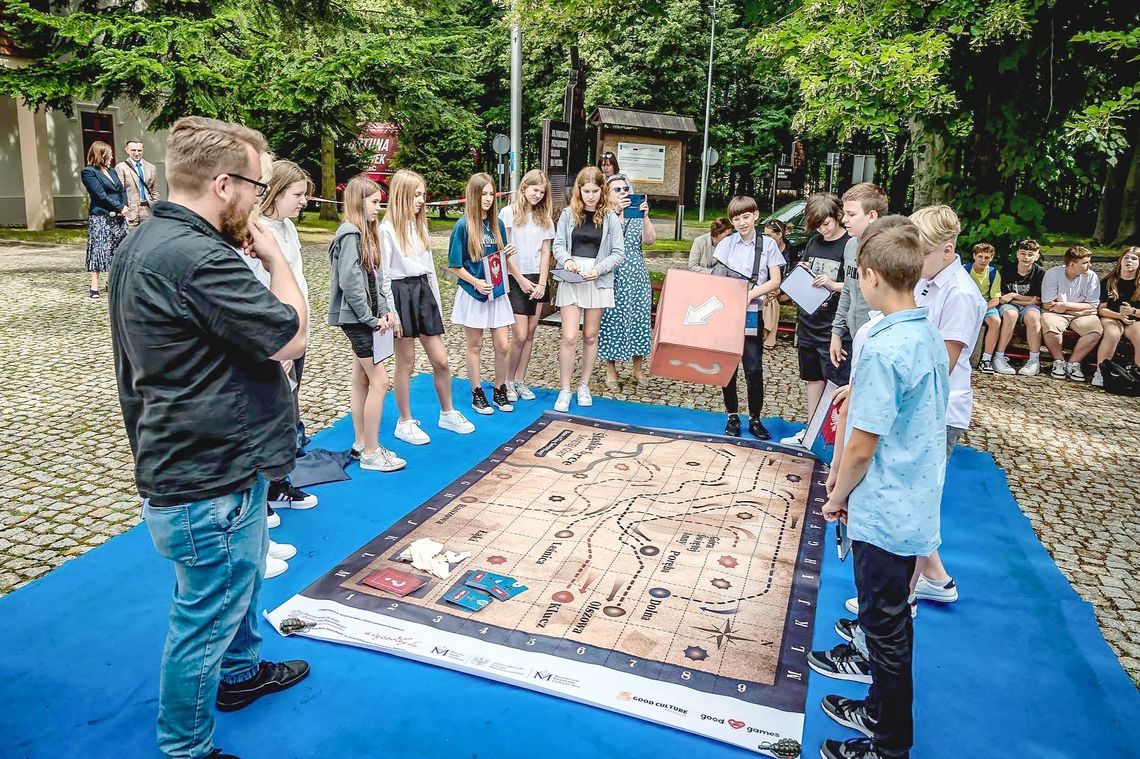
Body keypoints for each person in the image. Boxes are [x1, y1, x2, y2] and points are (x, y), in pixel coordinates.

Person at [108, 115, 312, 759]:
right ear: (225, 184)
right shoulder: (193, 255)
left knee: (240, 583)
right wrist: (276, 254)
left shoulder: (153, 240)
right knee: (205, 614)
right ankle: (185, 748)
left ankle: (242, 673)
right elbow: (290, 335)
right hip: (205, 470)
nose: (259, 198)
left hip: (216, 455)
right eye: (256, 184)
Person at [812, 216, 950, 759]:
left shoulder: (886, 348)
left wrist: (837, 495)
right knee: (889, 619)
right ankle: (878, 711)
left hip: (886, 507)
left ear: (869, 277)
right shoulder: (925, 333)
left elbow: (862, 446)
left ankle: (889, 744)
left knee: (884, 628)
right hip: (912, 497)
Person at [909, 204, 984, 605]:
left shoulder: (960, 294)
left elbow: (944, 364)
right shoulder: (927, 280)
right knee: (914, 494)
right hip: (919, 403)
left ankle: (903, 596)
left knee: (919, 497)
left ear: (948, 249)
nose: (914, 259)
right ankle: (935, 578)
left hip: (939, 408)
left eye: (921, 251)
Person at [380, 169, 475, 441]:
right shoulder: (386, 230)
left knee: (441, 360)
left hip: (422, 292)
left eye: (423, 194)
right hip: (401, 293)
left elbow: (430, 269)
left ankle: (447, 413)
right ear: (402, 196)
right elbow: (384, 276)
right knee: (406, 362)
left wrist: (435, 302)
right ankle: (405, 421)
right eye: (416, 195)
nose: (422, 200)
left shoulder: (419, 226)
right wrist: (392, 312)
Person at [328, 174, 406, 472]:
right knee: (380, 380)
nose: (378, 208)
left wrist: (385, 311)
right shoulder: (349, 234)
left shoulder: (364, 234)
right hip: (359, 320)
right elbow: (350, 283)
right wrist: (371, 319)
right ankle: (371, 451)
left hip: (368, 318)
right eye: (374, 202)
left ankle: (362, 443)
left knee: (362, 379)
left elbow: (374, 278)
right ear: (358, 202)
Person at [258, 160, 321, 518]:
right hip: (275, 340)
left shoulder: (287, 229)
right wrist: (274, 344)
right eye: (297, 195)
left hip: (296, 334)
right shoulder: (259, 231)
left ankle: (279, 481)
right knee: (271, 413)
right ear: (276, 192)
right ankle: (263, 491)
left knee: (288, 411)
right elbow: (261, 293)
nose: (304, 202)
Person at [552, 166, 625, 412]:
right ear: (579, 190)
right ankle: (565, 389)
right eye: (586, 191)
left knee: (590, 335)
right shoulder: (567, 214)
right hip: (571, 277)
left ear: (601, 191)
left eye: (595, 191)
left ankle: (584, 385)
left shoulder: (610, 217)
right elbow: (558, 245)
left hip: (597, 279)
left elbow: (618, 253)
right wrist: (567, 261)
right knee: (570, 335)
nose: (591, 196)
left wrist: (600, 269)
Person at [712, 196, 784, 440]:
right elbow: (717, 277)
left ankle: (755, 417)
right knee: (728, 366)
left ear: (755, 215)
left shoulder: (768, 245)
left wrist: (750, 293)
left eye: (745, 216)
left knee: (753, 368)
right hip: (728, 312)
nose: (741, 222)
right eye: (736, 218)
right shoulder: (727, 244)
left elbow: (775, 280)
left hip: (753, 311)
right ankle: (732, 415)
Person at [781, 194, 850, 447]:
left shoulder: (849, 245)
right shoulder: (813, 242)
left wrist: (833, 284)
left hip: (834, 329)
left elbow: (859, 286)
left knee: (836, 383)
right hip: (809, 321)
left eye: (827, 223)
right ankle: (811, 431)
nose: (824, 229)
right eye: (818, 225)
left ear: (838, 216)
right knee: (813, 379)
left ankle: (833, 439)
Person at [448, 173, 517, 415]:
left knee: (502, 345)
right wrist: (475, 282)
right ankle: (477, 392)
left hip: (496, 292)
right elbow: (454, 265)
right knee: (474, 345)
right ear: (473, 195)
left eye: (491, 194)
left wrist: (508, 252)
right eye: (483, 194)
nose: (487, 199)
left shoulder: (497, 223)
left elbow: (499, 259)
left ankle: (500, 389)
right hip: (474, 292)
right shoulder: (462, 225)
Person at [501, 169, 555, 402]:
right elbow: (506, 251)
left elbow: (546, 252)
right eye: (535, 190)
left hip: (537, 278)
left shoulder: (545, 218)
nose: (538, 196)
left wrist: (542, 282)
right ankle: (506, 380)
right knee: (519, 334)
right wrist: (521, 280)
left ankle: (520, 380)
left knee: (531, 333)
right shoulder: (508, 213)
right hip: (516, 277)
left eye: (542, 193)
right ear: (524, 188)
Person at [599, 172, 656, 390]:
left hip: (636, 275)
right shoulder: (604, 215)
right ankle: (611, 370)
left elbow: (650, 240)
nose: (623, 192)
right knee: (610, 321)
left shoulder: (636, 215)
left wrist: (646, 216)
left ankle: (638, 369)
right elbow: (602, 243)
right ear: (608, 194)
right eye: (617, 189)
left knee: (639, 319)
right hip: (613, 273)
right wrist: (615, 213)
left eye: (625, 189)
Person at [830, 182, 888, 368]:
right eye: (844, 213)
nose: (844, 220)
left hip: (879, 339)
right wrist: (836, 332)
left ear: (872, 216)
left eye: (851, 214)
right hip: (852, 335)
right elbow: (847, 289)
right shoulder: (851, 245)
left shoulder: (889, 251)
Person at [1042, 246, 1103, 381]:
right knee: (1051, 326)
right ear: (1072, 264)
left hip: (1079, 313)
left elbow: (1093, 305)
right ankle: (1059, 361)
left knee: (1095, 331)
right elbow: (1048, 304)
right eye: (1085, 262)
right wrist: (1080, 310)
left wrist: (1064, 306)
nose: (1090, 265)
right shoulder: (1053, 273)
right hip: (1059, 313)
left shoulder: (1091, 276)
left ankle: (1074, 363)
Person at [81, 140, 129, 298]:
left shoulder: (112, 171)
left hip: (118, 218)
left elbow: (121, 190)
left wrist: (124, 206)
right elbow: (99, 194)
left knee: (118, 250)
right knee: (100, 249)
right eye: (109, 154)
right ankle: (94, 286)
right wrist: (118, 207)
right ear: (100, 154)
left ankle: (111, 282)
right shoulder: (89, 172)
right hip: (101, 217)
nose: (112, 157)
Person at [990, 239, 1046, 375]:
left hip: (1026, 307)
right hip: (1010, 306)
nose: (1026, 257)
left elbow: (1037, 299)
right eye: (1023, 253)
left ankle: (1034, 360)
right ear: (1017, 254)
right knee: (1011, 315)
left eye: (1030, 254)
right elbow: (1003, 298)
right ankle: (999, 356)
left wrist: (1013, 295)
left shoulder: (1040, 273)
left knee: (1033, 317)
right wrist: (1025, 300)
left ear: (1036, 256)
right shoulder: (1007, 269)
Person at [1093, 246, 1140, 387]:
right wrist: (1119, 316)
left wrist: (1132, 312)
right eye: (1126, 257)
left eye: (1134, 258)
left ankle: (1136, 375)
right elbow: (1101, 309)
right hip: (1112, 317)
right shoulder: (1109, 281)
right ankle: (1100, 372)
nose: (1129, 261)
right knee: (1112, 334)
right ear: (1120, 260)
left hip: (1134, 319)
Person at [969, 243, 1003, 373]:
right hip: (968, 304)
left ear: (991, 258)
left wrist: (983, 308)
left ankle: (986, 358)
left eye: (987, 257)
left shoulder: (994, 273)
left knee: (996, 321)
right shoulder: (965, 270)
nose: (983, 260)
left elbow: (995, 299)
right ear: (974, 256)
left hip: (986, 304)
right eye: (980, 256)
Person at [761, 220, 793, 349]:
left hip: (788, 290)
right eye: (764, 235)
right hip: (768, 288)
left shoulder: (791, 251)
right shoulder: (764, 249)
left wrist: (780, 290)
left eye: (769, 236)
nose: (766, 238)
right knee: (771, 299)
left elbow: (793, 276)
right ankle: (769, 337)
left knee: (772, 299)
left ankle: (767, 334)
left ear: (779, 235)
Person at [115, 138, 161, 228]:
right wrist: (121, 209)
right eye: (133, 150)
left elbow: (155, 191)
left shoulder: (151, 167)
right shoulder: (121, 167)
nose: (136, 153)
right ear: (127, 150)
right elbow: (119, 191)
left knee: (147, 239)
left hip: (147, 209)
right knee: (130, 239)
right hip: (130, 210)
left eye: (139, 150)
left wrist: (156, 208)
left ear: (143, 150)